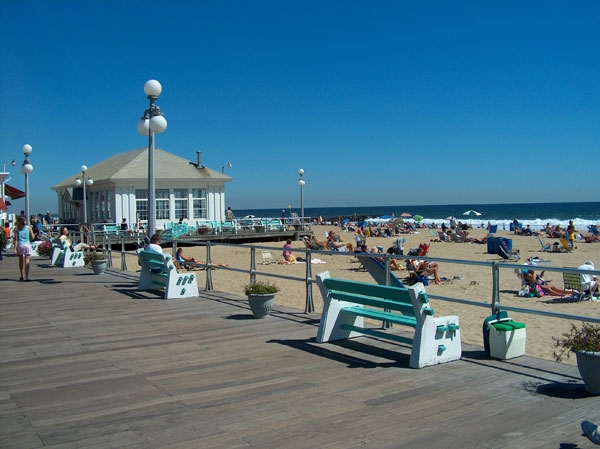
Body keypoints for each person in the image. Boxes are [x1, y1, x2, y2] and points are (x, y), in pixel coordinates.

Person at [13, 215, 35, 281]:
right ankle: (27, 276)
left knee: (21, 261)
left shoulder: (16, 229)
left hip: (20, 245)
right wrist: (30, 238)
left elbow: (16, 240)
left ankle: (22, 275)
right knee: (27, 260)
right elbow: (33, 237)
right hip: (27, 244)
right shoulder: (29, 228)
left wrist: (15, 248)